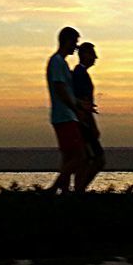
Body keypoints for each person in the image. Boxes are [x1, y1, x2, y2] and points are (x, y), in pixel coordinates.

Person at [46, 26, 88, 194]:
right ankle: (53, 188)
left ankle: (63, 191)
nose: (75, 48)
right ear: (67, 41)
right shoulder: (57, 62)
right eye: (75, 43)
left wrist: (79, 105)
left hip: (65, 115)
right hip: (65, 116)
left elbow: (66, 91)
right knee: (79, 156)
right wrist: (76, 107)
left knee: (69, 157)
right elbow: (60, 88)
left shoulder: (60, 63)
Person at [72, 42, 104, 191]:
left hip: (82, 122)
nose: (95, 58)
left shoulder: (79, 73)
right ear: (84, 55)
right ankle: (79, 190)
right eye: (92, 54)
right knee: (97, 159)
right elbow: (84, 103)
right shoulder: (80, 74)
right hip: (83, 123)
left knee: (85, 160)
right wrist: (93, 126)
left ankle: (78, 190)